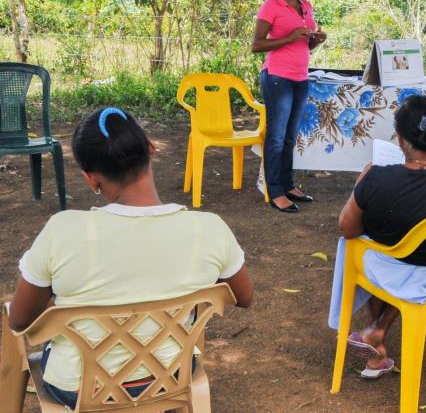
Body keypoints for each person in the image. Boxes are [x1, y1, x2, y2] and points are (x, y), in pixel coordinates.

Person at [8, 108, 254, 409]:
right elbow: (244, 297)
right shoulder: (209, 228)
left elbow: (19, 319)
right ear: (151, 147)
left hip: (78, 388)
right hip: (172, 377)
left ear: (91, 179)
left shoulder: (62, 231)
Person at [329, 95, 426, 378]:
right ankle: (377, 333)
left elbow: (348, 229)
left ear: (400, 140)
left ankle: (377, 334)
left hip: (393, 272)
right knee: (407, 262)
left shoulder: (377, 178)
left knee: (368, 250)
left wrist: (361, 183)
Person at [252, 0, 327, 213]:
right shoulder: (271, 5)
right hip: (277, 77)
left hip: (300, 78)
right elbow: (257, 45)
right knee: (276, 137)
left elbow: (304, 45)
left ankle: (287, 185)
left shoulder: (306, 6)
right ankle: (275, 191)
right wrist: (289, 37)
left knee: (289, 137)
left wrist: (315, 40)